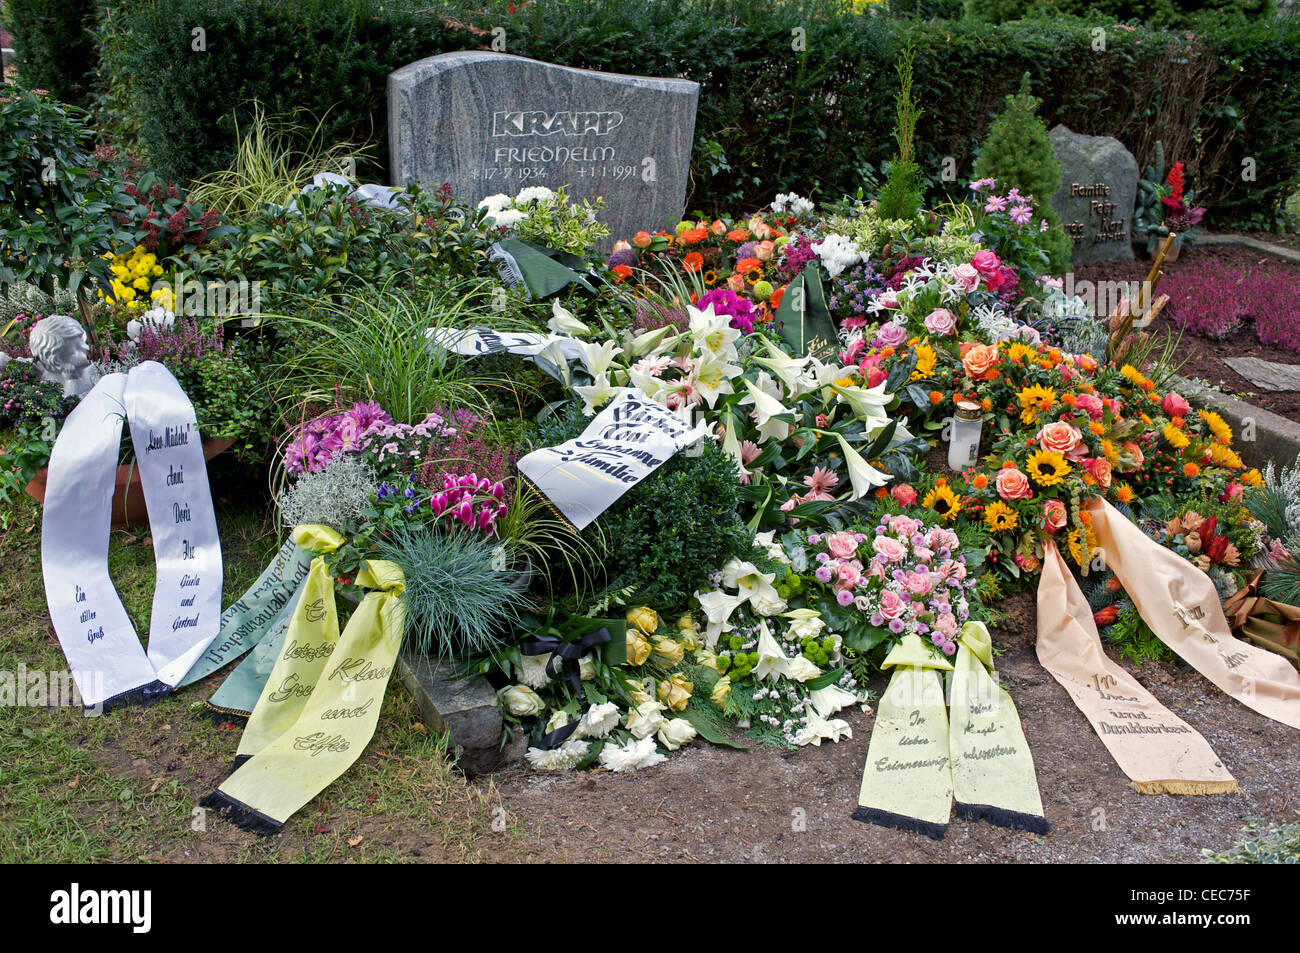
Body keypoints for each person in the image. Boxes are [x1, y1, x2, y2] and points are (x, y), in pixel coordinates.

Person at [28, 314, 98, 398]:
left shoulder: (92, 368)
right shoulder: (52, 383)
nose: (86, 349)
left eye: (84, 342)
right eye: (77, 350)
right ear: (58, 362)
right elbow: (72, 402)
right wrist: (72, 379)